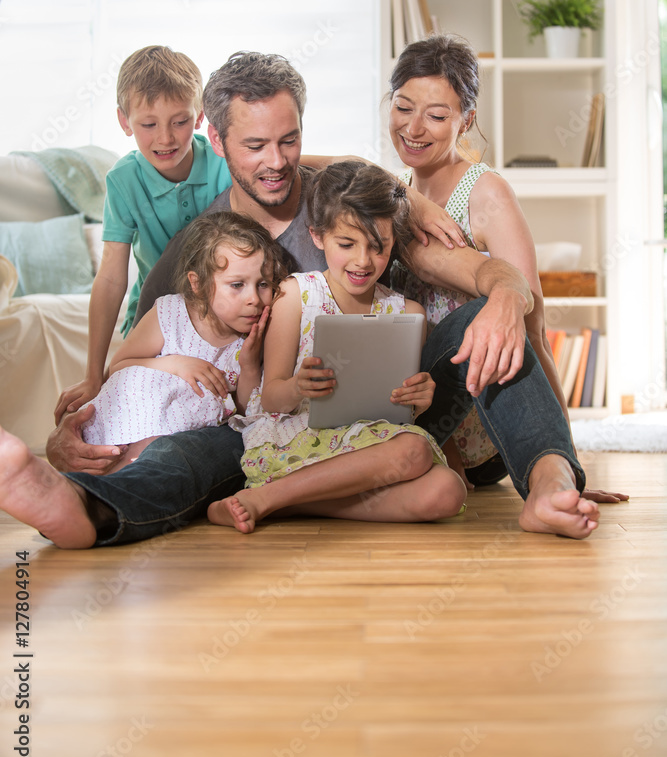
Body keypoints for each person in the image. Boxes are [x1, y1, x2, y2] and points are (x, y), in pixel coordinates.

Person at [0, 51, 600, 549]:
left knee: (484, 321)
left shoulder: (346, 210)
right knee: (191, 455)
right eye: (256, 145)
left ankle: (549, 482)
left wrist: (505, 297)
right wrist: (78, 434)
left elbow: (492, 275)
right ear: (217, 139)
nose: (277, 162)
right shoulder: (198, 248)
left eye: (290, 141)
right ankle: (84, 507)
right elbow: (142, 359)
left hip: (397, 414)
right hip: (265, 429)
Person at [387, 33, 628, 505]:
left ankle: (548, 480)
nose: (414, 128)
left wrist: (565, 458)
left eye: (436, 116)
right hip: (411, 408)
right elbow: (323, 167)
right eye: (402, 107)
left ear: (466, 120)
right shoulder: (392, 191)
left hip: (485, 420)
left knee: (490, 315)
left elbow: (532, 331)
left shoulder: (486, 192)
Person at [209, 162, 467, 533]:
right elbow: (269, 399)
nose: (363, 261)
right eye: (346, 244)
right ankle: (265, 498)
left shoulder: (407, 312)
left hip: (369, 447)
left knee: (447, 491)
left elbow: (404, 410)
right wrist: (298, 386)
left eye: (378, 248)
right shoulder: (295, 296)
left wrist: (420, 398)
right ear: (317, 236)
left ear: (394, 242)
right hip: (298, 441)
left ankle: (289, 504)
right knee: (415, 451)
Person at [54, 45, 232, 423]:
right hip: (155, 314)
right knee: (136, 410)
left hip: (221, 311)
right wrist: (92, 374)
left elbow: (272, 162)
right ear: (124, 120)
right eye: (148, 124)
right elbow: (111, 276)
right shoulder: (123, 180)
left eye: (180, 121)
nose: (165, 138)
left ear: (200, 116)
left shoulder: (223, 162)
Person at [80, 210, 288, 471]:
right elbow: (118, 368)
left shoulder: (257, 334)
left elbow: (246, 411)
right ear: (198, 284)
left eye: (263, 284)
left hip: (180, 442)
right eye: (237, 285)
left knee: (158, 458)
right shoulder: (171, 313)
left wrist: (249, 366)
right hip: (133, 419)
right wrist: (176, 364)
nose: (254, 299)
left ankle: (121, 479)